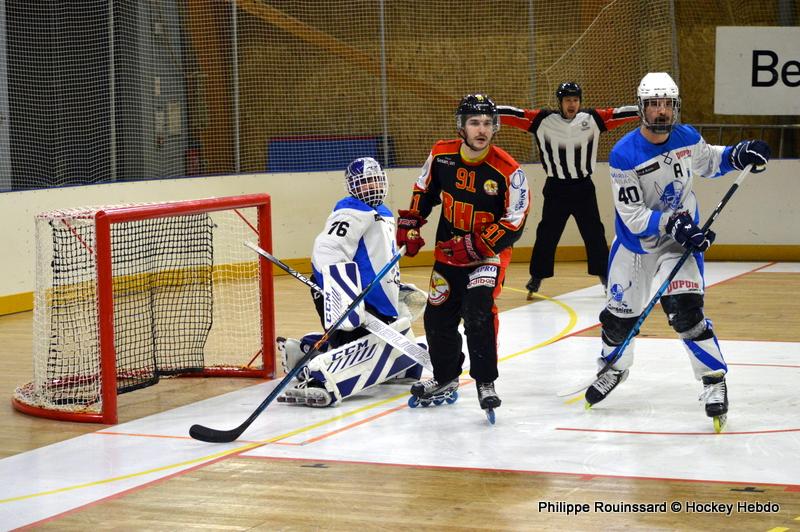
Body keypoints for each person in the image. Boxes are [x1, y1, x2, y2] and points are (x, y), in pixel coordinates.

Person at [583, 72, 770, 430]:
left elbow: (710, 162)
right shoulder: (624, 154)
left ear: (675, 106)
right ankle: (613, 369)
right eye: (654, 104)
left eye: (667, 104)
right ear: (642, 108)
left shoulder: (686, 137)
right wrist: (674, 223)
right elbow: (634, 217)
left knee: (686, 313)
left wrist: (740, 153)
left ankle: (714, 380)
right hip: (637, 245)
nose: (661, 111)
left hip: (677, 243)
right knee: (618, 321)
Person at [396, 94, 530, 414]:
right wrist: (411, 223)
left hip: (487, 256)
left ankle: (485, 381)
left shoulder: (509, 171)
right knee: (437, 318)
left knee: (477, 310)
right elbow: (423, 189)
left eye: (487, 123)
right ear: (462, 127)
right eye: (474, 123)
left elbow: (516, 218)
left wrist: (477, 245)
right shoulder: (442, 155)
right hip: (446, 253)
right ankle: (445, 377)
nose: (481, 130)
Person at [277, 156, 427, 407]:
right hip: (353, 302)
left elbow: (380, 260)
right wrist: (344, 297)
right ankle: (311, 364)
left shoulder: (384, 212)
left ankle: (304, 350)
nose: (372, 186)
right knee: (358, 350)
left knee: (407, 359)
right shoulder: (350, 211)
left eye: (375, 180)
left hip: (378, 306)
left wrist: (396, 288)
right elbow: (326, 251)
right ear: (353, 186)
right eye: (365, 182)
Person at [497, 82, 639, 299]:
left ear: (580, 102)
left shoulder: (592, 119)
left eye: (575, 100)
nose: (571, 104)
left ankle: (604, 275)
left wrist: (646, 108)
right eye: (567, 100)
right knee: (547, 234)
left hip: (583, 187)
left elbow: (618, 114)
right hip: (556, 188)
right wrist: (489, 109)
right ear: (560, 103)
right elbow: (516, 115)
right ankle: (537, 277)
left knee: (594, 233)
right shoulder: (543, 120)